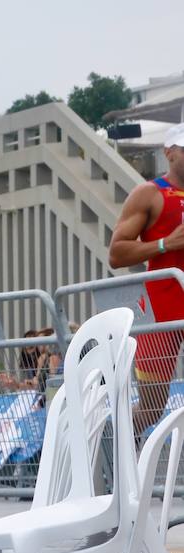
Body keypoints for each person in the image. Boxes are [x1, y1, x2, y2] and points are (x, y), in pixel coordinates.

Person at [109, 122, 184, 433]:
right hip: (161, 311)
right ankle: (115, 450)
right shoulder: (150, 194)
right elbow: (116, 253)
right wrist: (166, 243)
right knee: (152, 408)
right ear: (169, 152)